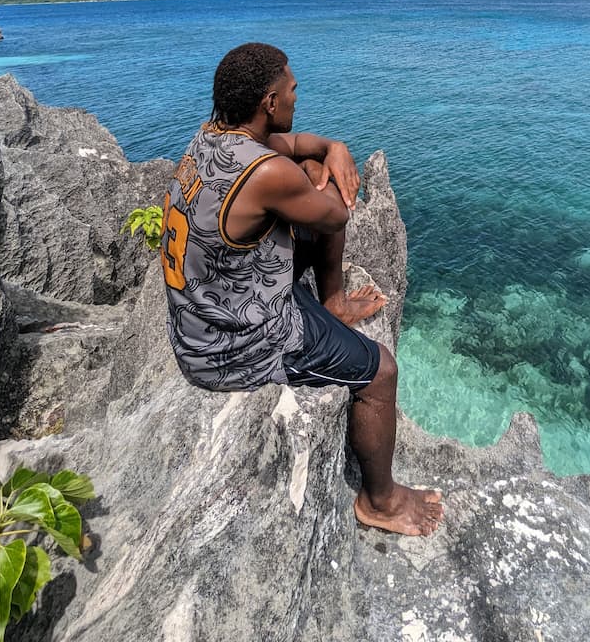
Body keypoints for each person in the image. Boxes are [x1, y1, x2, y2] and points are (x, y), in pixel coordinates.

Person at [160, 41, 443, 537]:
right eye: (291, 90)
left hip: (199, 322)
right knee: (380, 372)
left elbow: (291, 148)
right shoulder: (266, 174)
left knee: (308, 176)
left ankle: (330, 302)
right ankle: (380, 500)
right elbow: (335, 213)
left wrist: (331, 150)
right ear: (270, 102)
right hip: (236, 347)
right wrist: (326, 173)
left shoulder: (211, 138)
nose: (297, 96)